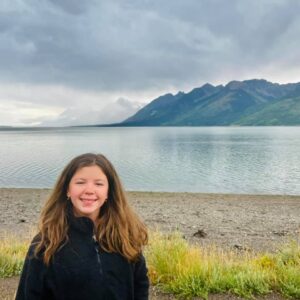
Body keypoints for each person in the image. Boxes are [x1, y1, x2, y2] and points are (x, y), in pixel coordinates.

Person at [16, 153, 149, 300]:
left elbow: (140, 284)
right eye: (80, 182)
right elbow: (28, 294)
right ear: (67, 189)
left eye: (98, 184)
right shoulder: (46, 243)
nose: (89, 190)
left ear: (108, 192)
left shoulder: (125, 235)